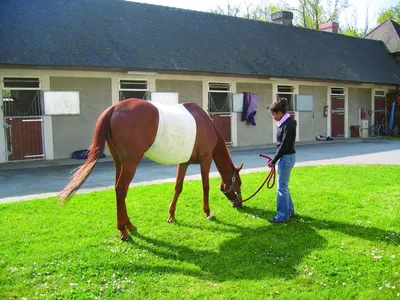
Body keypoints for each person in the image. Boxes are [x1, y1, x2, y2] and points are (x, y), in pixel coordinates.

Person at [267, 98, 297, 223]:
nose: (273, 117)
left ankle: (282, 215)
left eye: (274, 114)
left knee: (281, 188)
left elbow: (284, 145)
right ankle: (290, 211)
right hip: (286, 157)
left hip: (287, 157)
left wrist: (273, 160)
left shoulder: (288, 125)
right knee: (284, 186)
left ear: (280, 112)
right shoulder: (285, 124)